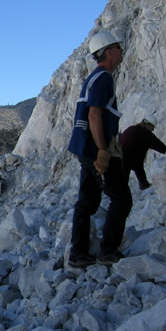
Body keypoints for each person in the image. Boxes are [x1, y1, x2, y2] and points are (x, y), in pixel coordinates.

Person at [67, 30, 133, 268]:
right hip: (96, 149)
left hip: (84, 148)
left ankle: (78, 254)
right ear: (108, 51)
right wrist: (103, 151)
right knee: (121, 199)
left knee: (86, 202)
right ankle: (108, 251)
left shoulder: (94, 78)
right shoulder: (104, 78)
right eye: (117, 46)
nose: (121, 50)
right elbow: (94, 115)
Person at [119, 117, 166, 190]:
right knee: (123, 184)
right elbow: (162, 148)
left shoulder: (131, 128)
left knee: (137, 166)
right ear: (149, 125)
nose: (152, 130)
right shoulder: (146, 134)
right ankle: (142, 184)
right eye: (152, 128)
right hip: (127, 159)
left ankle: (144, 184)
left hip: (119, 156)